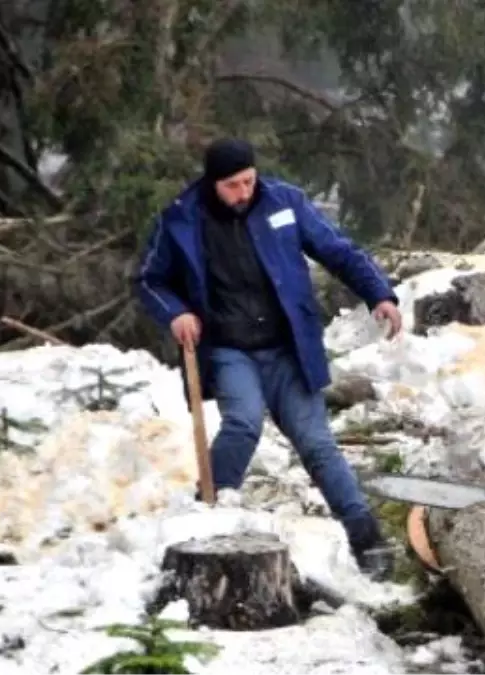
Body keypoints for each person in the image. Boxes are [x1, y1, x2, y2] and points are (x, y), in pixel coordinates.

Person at [134, 138, 403, 581]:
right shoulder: (182, 218)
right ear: (213, 184)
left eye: (249, 181)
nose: (244, 192)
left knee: (318, 446)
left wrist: (380, 294)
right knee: (243, 422)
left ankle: (367, 541)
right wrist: (177, 312)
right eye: (233, 186)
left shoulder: (285, 202)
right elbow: (150, 280)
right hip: (228, 348)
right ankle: (205, 520)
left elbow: (339, 251)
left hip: (288, 349)